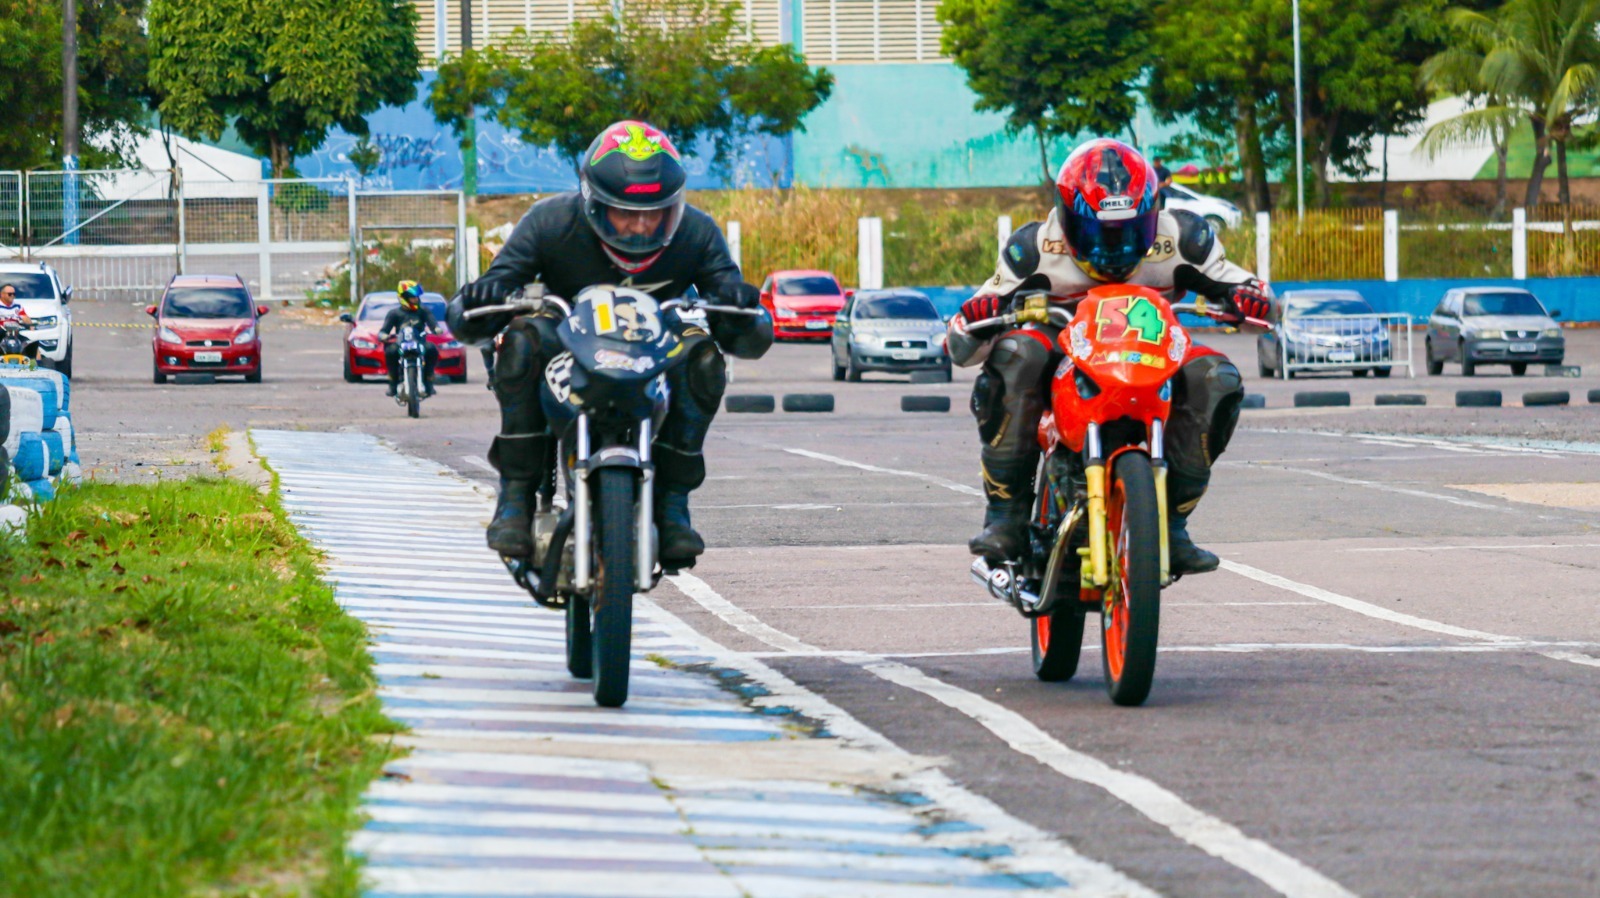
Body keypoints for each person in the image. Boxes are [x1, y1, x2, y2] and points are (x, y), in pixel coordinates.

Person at [449, 119, 773, 569]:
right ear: (593, 203)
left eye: (655, 212)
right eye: (626, 212)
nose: (641, 226)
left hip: (657, 353)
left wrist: (734, 303)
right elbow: (494, 288)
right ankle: (516, 498)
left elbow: (741, 317)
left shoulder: (697, 232)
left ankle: (673, 505)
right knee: (521, 341)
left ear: (674, 206)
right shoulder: (549, 221)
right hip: (568, 347)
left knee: (702, 357)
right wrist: (488, 295)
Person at [947, 138, 1272, 575]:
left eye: (1128, 232)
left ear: (1152, 213)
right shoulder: (1034, 247)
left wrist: (1254, 302)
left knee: (1217, 376)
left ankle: (1173, 525)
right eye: (1098, 232)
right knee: (1016, 352)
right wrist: (977, 316)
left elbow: (1256, 300)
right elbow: (962, 344)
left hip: (1154, 347)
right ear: (1066, 216)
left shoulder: (1184, 239)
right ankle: (1005, 516)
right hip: (1063, 345)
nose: (1112, 247)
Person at [380, 280, 441, 397]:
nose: (416, 299)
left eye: (417, 297)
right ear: (404, 298)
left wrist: (436, 329)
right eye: (413, 297)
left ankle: (429, 380)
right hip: (401, 344)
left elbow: (432, 322)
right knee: (390, 351)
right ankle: (393, 383)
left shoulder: (423, 311)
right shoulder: (394, 313)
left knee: (432, 349)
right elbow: (384, 330)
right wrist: (383, 335)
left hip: (420, 343)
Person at [0, 283, 39, 359]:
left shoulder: (17, 306)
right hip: (1, 334)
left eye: (14, 294)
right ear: (2, 294)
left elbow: (25, 318)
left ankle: (36, 366)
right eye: (10, 294)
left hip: (15, 335)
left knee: (34, 347)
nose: (12, 296)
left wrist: (29, 324)